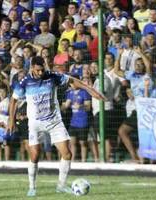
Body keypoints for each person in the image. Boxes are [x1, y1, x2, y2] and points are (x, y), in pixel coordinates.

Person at [7, 56, 106, 197]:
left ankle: (61, 185)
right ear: (32, 67)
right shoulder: (25, 82)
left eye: (43, 69)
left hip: (54, 121)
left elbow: (72, 81)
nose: (41, 73)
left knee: (67, 153)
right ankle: (32, 187)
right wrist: (11, 119)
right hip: (35, 124)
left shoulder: (52, 76)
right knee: (34, 156)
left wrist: (91, 90)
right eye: (38, 70)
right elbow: (13, 101)